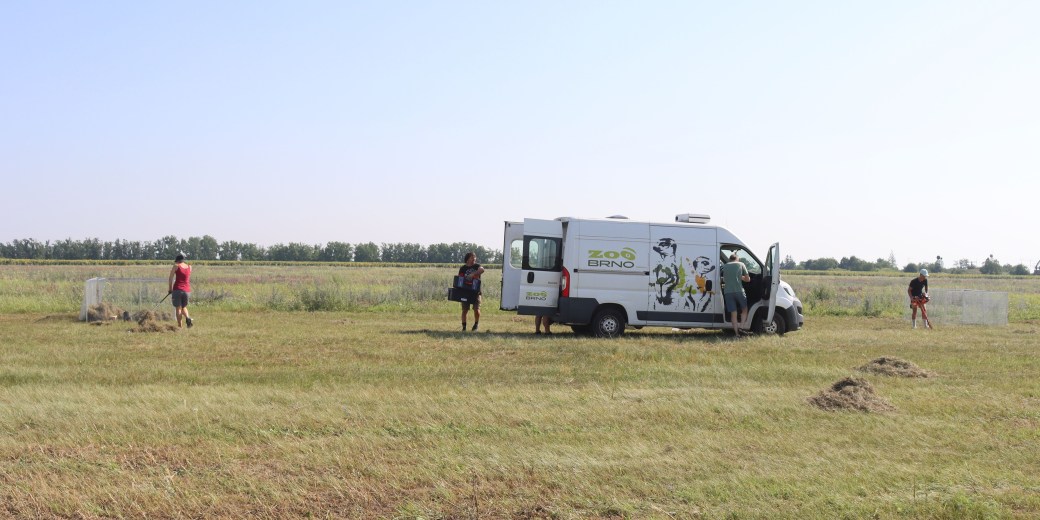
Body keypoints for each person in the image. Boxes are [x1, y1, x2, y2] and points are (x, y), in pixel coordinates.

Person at [721, 253, 751, 336]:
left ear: (730, 259)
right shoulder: (741, 264)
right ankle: (741, 327)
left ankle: (737, 334)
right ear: (737, 259)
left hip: (728, 292)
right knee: (744, 309)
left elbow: (724, 278)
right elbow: (748, 279)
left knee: (733, 313)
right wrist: (740, 277)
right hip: (739, 291)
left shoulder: (725, 266)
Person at [458, 252, 484, 331]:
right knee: (464, 310)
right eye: (472, 257)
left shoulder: (477, 266)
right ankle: (464, 328)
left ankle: (476, 325)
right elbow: (460, 279)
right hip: (465, 292)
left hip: (476, 292)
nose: (474, 259)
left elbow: (482, 270)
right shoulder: (463, 268)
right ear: (468, 259)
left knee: (476, 309)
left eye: (475, 257)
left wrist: (472, 274)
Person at [168, 254, 193, 328]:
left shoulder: (176, 266)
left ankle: (179, 326)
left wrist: (170, 289)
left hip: (177, 289)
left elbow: (170, 278)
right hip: (187, 291)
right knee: (184, 307)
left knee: (178, 308)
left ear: (177, 261)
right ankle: (188, 318)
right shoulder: (189, 267)